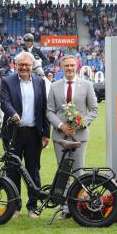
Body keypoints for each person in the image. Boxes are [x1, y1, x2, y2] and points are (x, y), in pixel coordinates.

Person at [46, 55, 98, 220]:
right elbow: (49, 111)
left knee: (79, 172)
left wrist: (81, 123)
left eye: (71, 65)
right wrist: (61, 125)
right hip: (60, 137)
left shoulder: (87, 85)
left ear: (76, 67)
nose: (69, 68)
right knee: (63, 173)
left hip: (79, 136)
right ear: (62, 67)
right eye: (66, 66)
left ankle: (77, 207)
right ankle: (65, 207)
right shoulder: (54, 86)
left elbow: (94, 109)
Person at [0, 51, 50, 219]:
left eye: (27, 64)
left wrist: (46, 133)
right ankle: (15, 207)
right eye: (21, 64)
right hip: (13, 134)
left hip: (34, 134)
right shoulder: (7, 81)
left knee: (33, 170)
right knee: (13, 171)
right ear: (15, 65)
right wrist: (13, 113)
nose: (24, 67)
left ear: (32, 66)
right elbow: (4, 102)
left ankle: (32, 207)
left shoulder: (40, 82)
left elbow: (44, 109)